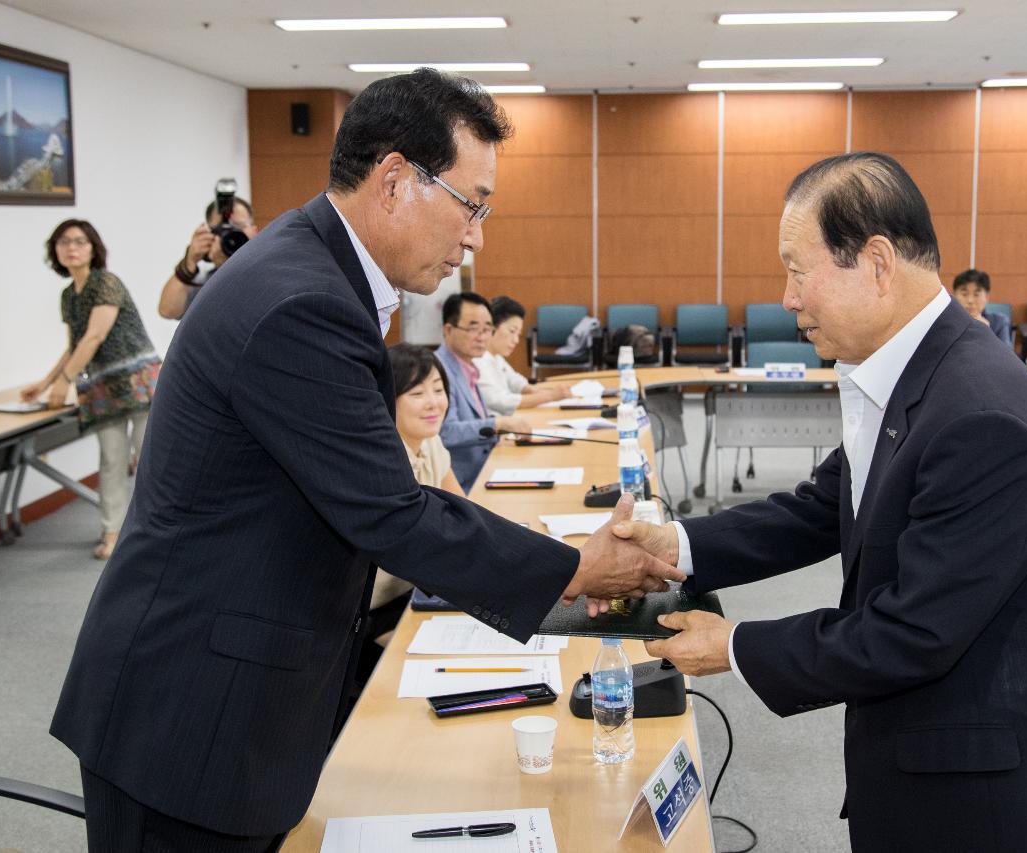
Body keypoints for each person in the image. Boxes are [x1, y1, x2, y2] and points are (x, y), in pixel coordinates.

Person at [50, 69, 683, 853]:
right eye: (472, 203)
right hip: (190, 709)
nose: (478, 234)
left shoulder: (313, 270)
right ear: (394, 180)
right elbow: (391, 510)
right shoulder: (303, 302)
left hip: (229, 677)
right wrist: (577, 569)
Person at [617, 152, 1027, 852]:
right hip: (932, 759)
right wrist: (678, 546)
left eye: (796, 268)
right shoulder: (921, 372)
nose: (787, 297)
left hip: (991, 800)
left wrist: (735, 644)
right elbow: (822, 507)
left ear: (877, 261)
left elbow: (913, 631)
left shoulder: (981, 415)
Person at [21, 220, 161, 560]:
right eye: (64, 242)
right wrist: (45, 382)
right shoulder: (69, 295)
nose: (72, 248)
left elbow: (95, 335)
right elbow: (75, 345)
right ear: (55, 251)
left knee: (148, 460)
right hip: (101, 388)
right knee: (111, 460)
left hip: (138, 381)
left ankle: (155, 533)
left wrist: (63, 382)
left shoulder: (106, 283)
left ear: (93, 247)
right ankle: (112, 531)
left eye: (80, 241)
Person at [358, 343, 466, 681]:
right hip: (373, 612)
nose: (434, 402)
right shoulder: (380, 460)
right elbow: (430, 540)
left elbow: (463, 510)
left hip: (416, 591)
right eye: (417, 393)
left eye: (438, 389)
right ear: (387, 398)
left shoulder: (428, 439)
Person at [434, 291, 533, 491]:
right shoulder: (438, 369)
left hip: (485, 468)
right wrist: (498, 423)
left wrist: (500, 431)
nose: (481, 337)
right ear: (448, 329)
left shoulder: (468, 365)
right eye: (473, 328)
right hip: (462, 484)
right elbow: (446, 433)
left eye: (487, 329)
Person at [157, 194, 258, 320]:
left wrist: (225, 266)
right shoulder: (207, 280)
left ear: (254, 230)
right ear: (210, 234)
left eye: (238, 226)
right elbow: (168, 311)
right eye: (222, 229)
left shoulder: (269, 265)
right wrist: (189, 262)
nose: (231, 234)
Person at [476, 295, 571, 415]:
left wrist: (541, 391)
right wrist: (550, 396)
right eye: (512, 331)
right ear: (491, 327)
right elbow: (501, 401)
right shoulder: (477, 360)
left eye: (518, 334)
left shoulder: (496, 357)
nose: (516, 340)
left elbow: (516, 381)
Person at [951, 268, 1012, 346]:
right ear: (953, 296)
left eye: (976, 294)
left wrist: (987, 335)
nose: (970, 301)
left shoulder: (999, 322)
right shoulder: (947, 322)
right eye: (964, 294)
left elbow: (1007, 356)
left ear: (986, 297)